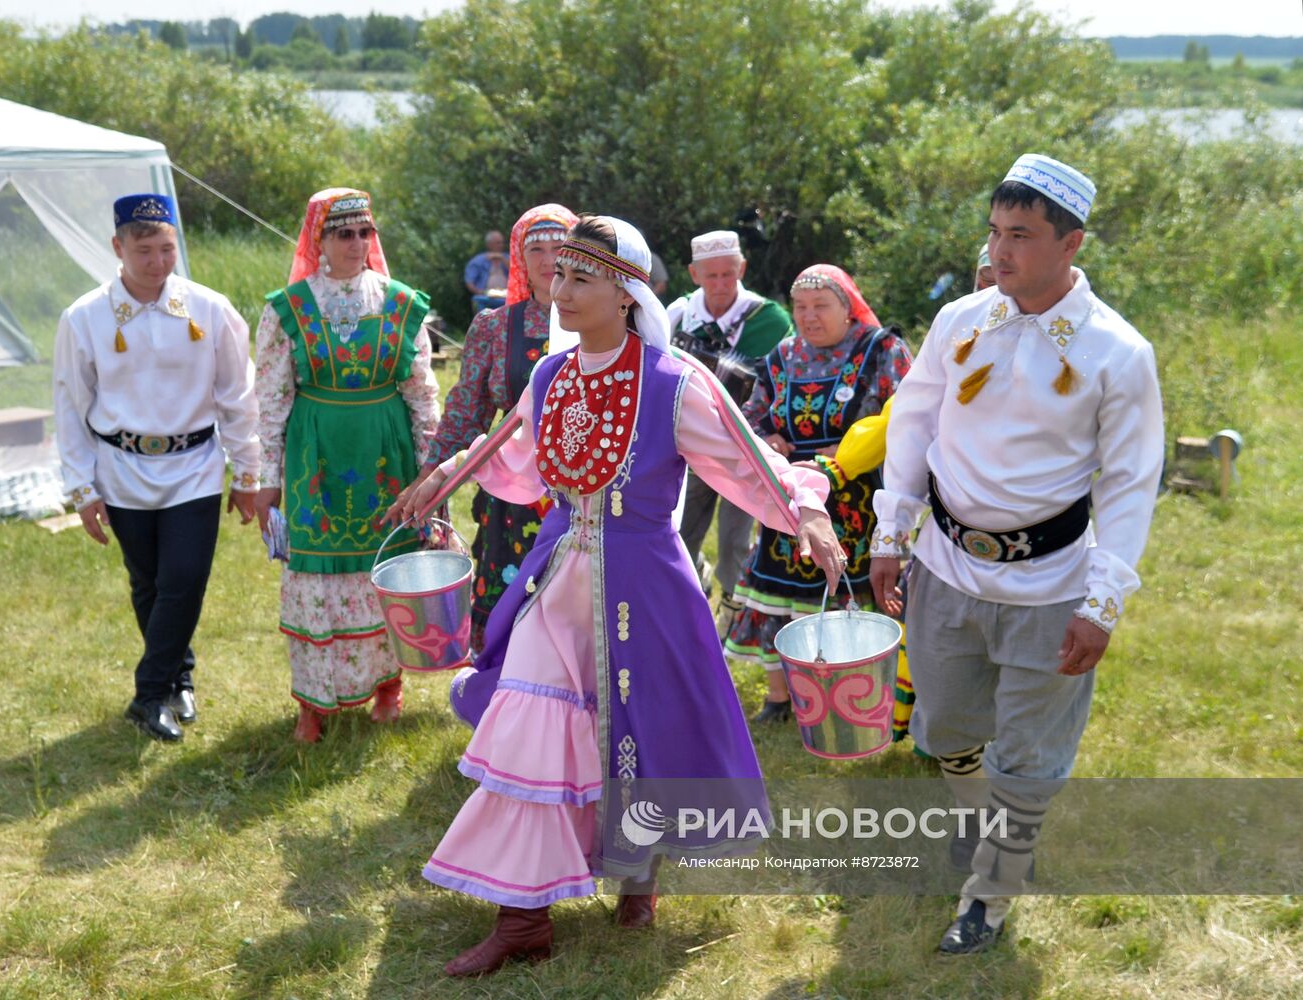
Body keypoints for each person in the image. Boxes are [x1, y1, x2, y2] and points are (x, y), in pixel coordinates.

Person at [390, 215, 843, 978]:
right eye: (557, 276)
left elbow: (747, 460)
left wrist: (808, 512)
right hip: (558, 572)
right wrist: (443, 477)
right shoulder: (550, 376)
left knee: (640, 729)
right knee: (531, 727)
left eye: (580, 279)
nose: (559, 291)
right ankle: (522, 917)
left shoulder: (673, 384)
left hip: (645, 585)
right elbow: (511, 452)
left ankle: (637, 879)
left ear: (627, 293)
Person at [870, 154, 1163, 954]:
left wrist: (1103, 603)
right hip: (945, 567)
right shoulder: (961, 321)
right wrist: (892, 530)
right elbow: (913, 420)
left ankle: (989, 897)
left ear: (1071, 243)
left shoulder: (1118, 353)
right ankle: (982, 829)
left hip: (1052, 584)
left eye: (1022, 236)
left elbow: (1134, 484)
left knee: (1029, 757)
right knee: (949, 729)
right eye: (996, 233)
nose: (1000, 253)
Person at [52, 194, 260, 742]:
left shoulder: (211, 309)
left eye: (167, 249)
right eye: (144, 251)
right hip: (120, 468)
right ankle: (178, 679)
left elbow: (238, 397)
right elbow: (71, 406)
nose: (158, 262)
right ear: (117, 248)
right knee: (148, 583)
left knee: (184, 580)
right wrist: (81, 488)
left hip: (193, 466)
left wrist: (247, 473)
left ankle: (147, 694)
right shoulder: (84, 318)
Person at [253, 188, 438, 743]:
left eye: (365, 233)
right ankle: (314, 702)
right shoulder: (286, 309)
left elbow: (423, 396)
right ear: (319, 240)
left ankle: (387, 684)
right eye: (344, 234)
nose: (357, 244)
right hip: (316, 457)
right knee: (314, 571)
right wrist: (268, 480)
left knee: (385, 568)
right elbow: (271, 400)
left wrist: (431, 475)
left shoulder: (402, 306)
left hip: (386, 452)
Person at [725, 264, 911, 722]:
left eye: (821, 306)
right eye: (800, 307)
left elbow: (906, 416)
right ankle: (781, 699)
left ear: (848, 310)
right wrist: (767, 439)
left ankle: (856, 697)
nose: (808, 316)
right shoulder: (781, 357)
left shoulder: (881, 349)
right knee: (777, 596)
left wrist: (846, 450)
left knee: (852, 597)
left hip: (857, 498)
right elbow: (752, 417)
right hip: (790, 497)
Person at [419, 203, 578, 651]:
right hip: (511, 495)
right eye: (537, 250)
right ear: (519, 260)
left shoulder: (601, 323)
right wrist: (430, 480)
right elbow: (465, 413)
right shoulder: (495, 327)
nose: (549, 260)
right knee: (511, 609)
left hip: (583, 491)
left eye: (560, 248)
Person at [667, 230, 793, 629]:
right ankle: (690, 597)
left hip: (744, 445)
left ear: (742, 268)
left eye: (728, 275)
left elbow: (783, 378)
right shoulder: (677, 314)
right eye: (711, 276)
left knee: (736, 539)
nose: (720, 285)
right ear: (693, 274)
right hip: (688, 443)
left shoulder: (770, 319)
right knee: (680, 530)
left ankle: (732, 620)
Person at [464, 229, 510, 313]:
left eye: (502, 242)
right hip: (486, 299)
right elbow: (469, 282)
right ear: (489, 244)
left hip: (507, 298)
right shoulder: (478, 261)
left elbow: (519, 274)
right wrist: (480, 292)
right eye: (498, 243)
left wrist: (502, 259)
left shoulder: (509, 258)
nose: (501, 245)